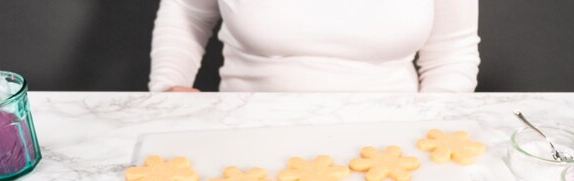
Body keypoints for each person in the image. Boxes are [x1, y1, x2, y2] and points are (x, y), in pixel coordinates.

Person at [149, 0, 480, 93]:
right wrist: (169, 86)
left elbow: (452, 52)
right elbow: (186, 12)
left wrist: (435, 127)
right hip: (245, 134)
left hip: (395, 143)